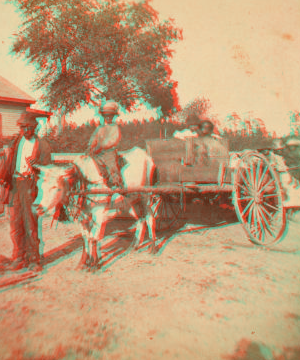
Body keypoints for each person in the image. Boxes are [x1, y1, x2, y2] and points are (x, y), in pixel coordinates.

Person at [0, 113, 51, 271]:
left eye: (26, 128)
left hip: (30, 186)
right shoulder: (17, 141)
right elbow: (9, 161)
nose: (24, 131)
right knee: (16, 223)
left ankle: (34, 259)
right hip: (15, 185)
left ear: (34, 128)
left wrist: (37, 166)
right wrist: (3, 177)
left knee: (30, 224)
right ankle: (19, 257)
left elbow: (48, 169)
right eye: (22, 128)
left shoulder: (43, 145)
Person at [87, 102, 123, 188]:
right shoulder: (100, 128)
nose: (108, 117)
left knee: (111, 163)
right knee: (91, 160)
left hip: (109, 151)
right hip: (99, 151)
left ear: (113, 116)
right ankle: (100, 180)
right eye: (106, 116)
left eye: (110, 116)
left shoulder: (115, 127)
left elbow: (113, 140)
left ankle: (116, 183)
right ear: (104, 117)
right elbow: (94, 138)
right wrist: (91, 147)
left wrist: (101, 146)